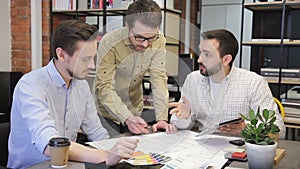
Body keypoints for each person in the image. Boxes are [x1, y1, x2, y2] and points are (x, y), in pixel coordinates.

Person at [7, 20, 139, 169]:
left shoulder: (81, 86)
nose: (92, 66)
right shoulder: (30, 85)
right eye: (85, 59)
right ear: (62, 54)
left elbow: (96, 132)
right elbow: (52, 145)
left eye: (93, 58)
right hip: (35, 166)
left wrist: (117, 152)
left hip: (67, 164)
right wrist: (106, 156)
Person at [169, 29, 285, 138]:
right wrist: (184, 117)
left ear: (226, 60)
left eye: (207, 54)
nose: (199, 60)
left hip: (238, 149)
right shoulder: (193, 80)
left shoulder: (254, 83)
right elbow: (179, 126)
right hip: (202, 147)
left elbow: (279, 129)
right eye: (200, 52)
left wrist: (247, 128)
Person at [94, 0, 176, 135]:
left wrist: (161, 118)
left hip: (134, 110)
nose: (145, 44)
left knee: (134, 152)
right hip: (106, 113)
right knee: (111, 151)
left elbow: (158, 79)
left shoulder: (159, 40)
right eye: (139, 37)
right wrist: (126, 117)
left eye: (151, 38)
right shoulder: (110, 42)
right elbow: (104, 86)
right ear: (127, 25)